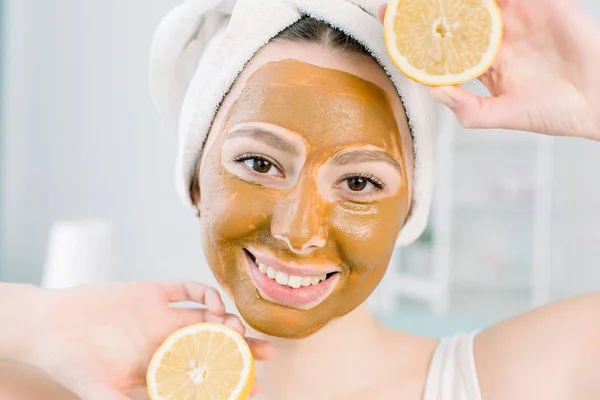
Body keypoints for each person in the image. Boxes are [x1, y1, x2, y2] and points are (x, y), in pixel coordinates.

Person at [2, 0, 600, 399]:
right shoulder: (91, 378)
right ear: (194, 178)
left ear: (410, 207)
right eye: (259, 163)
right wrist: (42, 320)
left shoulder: (510, 380)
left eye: (360, 182)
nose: (298, 232)